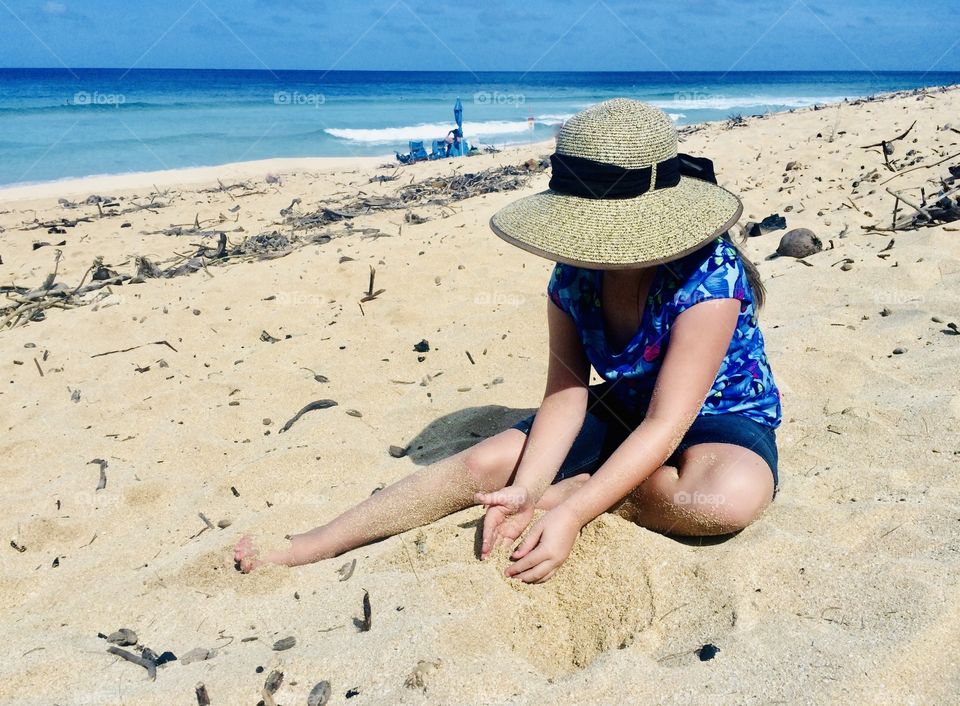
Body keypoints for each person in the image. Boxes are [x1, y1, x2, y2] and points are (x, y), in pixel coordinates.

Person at [235, 98, 781, 583]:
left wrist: (570, 512)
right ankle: (317, 541)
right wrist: (527, 487)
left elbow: (667, 425)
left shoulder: (709, 279)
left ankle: (594, 495)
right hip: (624, 406)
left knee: (727, 498)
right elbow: (566, 395)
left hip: (717, 415)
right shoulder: (573, 276)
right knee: (486, 463)